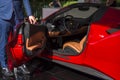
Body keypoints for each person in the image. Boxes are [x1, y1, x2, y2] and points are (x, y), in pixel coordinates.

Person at [0, 0, 36, 77]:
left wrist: (29, 14)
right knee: (3, 42)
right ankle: (4, 66)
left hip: (18, 17)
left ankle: (20, 63)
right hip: (3, 16)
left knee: (19, 42)